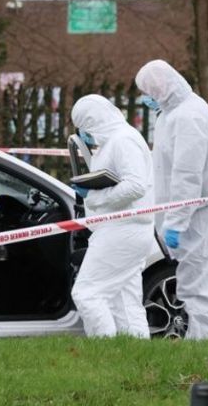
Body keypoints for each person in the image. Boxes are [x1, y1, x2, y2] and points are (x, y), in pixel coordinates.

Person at [135, 59, 208, 340]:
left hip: (198, 217)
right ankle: (201, 342)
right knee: (191, 281)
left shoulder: (189, 117)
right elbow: (165, 168)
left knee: (199, 284)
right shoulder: (172, 115)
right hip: (191, 216)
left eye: (147, 91)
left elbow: (188, 177)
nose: (145, 98)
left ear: (159, 88)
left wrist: (176, 222)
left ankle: (204, 345)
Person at [70, 95, 155, 338]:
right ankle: (136, 356)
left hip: (123, 228)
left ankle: (103, 351)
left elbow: (136, 186)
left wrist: (97, 196)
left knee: (88, 294)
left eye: (84, 128)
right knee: (125, 303)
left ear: (92, 122)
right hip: (127, 228)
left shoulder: (123, 141)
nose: (84, 134)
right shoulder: (116, 140)